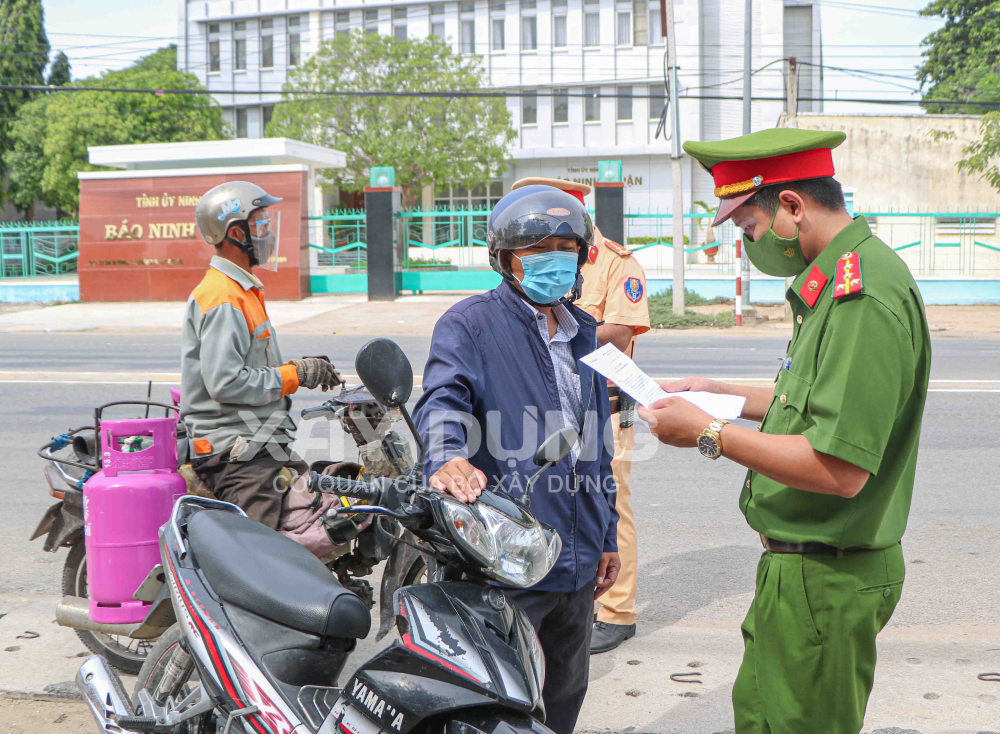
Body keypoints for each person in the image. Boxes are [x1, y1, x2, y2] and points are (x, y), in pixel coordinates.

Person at [638, 128, 931, 734]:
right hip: (806, 573)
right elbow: (815, 402)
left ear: (793, 207)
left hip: (827, 577)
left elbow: (840, 469)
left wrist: (709, 432)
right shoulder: (838, 281)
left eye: (748, 228)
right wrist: (717, 396)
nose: (749, 245)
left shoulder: (861, 296)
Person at [413, 185, 620, 734]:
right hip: (511, 558)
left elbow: (596, 445)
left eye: (565, 246)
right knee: (502, 705)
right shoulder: (470, 325)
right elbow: (441, 400)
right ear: (505, 260)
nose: (554, 258)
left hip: (577, 556)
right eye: (536, 249)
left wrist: (608, 537)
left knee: (566, 693)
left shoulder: (586, 335)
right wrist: (446, 454)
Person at [510, 177, 650, 654]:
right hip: (544, 406)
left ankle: (619, 610)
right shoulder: (523, 257)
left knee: (610, 504)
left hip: (603, 402)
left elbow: (623, 326)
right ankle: (575, 591)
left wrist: (567, 331)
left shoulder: (612, 261)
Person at [182, 181, 343, 557]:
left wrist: (302, 368)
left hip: (261, 442)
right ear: (236, 233)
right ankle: (242, 614)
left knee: (325, 514)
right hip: (236, 452)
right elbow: (226, 382)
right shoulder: (222, 296)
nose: (268, 232)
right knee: (263, 561)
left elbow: (253, 370)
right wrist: (294, 375)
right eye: (261, 223)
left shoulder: (242, 290)